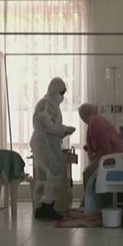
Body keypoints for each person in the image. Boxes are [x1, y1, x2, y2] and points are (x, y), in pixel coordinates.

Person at [30, 77, 76, 220]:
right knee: (52, 175)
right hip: (46, 144)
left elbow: (50, 125)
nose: (62, 96)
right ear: (55, 90)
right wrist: (64, 129)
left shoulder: (49, 103)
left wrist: (63, 131)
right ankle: (46, 207)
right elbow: (46, 123)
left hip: (45, 143)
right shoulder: (47, 104)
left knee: (44, 177)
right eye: (61, 93)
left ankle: (41, 207)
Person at [78, 103, 123, 210]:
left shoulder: (95, 122)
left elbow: (106, 144)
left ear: (83, 116)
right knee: (89, 172)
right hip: (112, 156)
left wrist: (109, 161)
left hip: (111, 156)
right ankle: (88, 204)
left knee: (87, 173)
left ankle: (90, 206)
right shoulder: (97, 120)